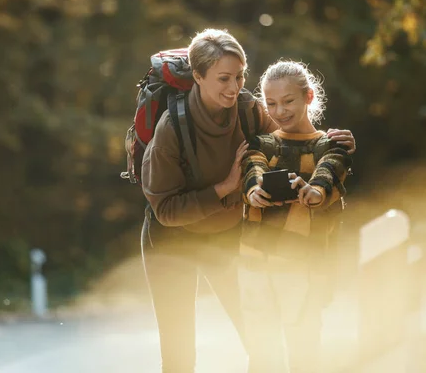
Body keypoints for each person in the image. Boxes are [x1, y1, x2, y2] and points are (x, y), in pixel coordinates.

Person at [140, 29, 355, 372]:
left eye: (239, 76)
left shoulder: (246, 109)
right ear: (198, 76)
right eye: (223, 78)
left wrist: (332, 144)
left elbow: (291, 139)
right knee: (179, 356)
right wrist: (226, 187)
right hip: (171, 241)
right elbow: (164, 210)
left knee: (261, 342)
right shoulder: (172, 128)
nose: (234, 86)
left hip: (227, 235)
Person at [238, 60, 353, 372]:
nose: (280, 111)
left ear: (308, 97)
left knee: (304, 351)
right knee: (261, 354)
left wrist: (315, 192)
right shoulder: (262, 143)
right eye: (271, 103)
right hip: (255, 263)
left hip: (304, 265)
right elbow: (253, 166)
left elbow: (331, 168)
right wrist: (253, 190)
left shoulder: (329, 144)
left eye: (288, 101)